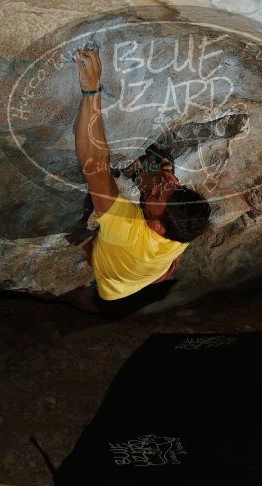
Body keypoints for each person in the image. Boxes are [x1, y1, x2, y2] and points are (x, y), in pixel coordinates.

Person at [71, 47, 211, 312]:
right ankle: (150, 274)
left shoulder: (127, 229)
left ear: (157, 228)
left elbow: (94, 163)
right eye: (173, 189)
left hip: (110, 285)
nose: (163, 186)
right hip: (147, 274)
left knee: (103, 194)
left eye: (160, 194)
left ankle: (89, 245)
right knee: (163, 271)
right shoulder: (184, 230)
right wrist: (163, 178)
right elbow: (167, 268)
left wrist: (92, 90)